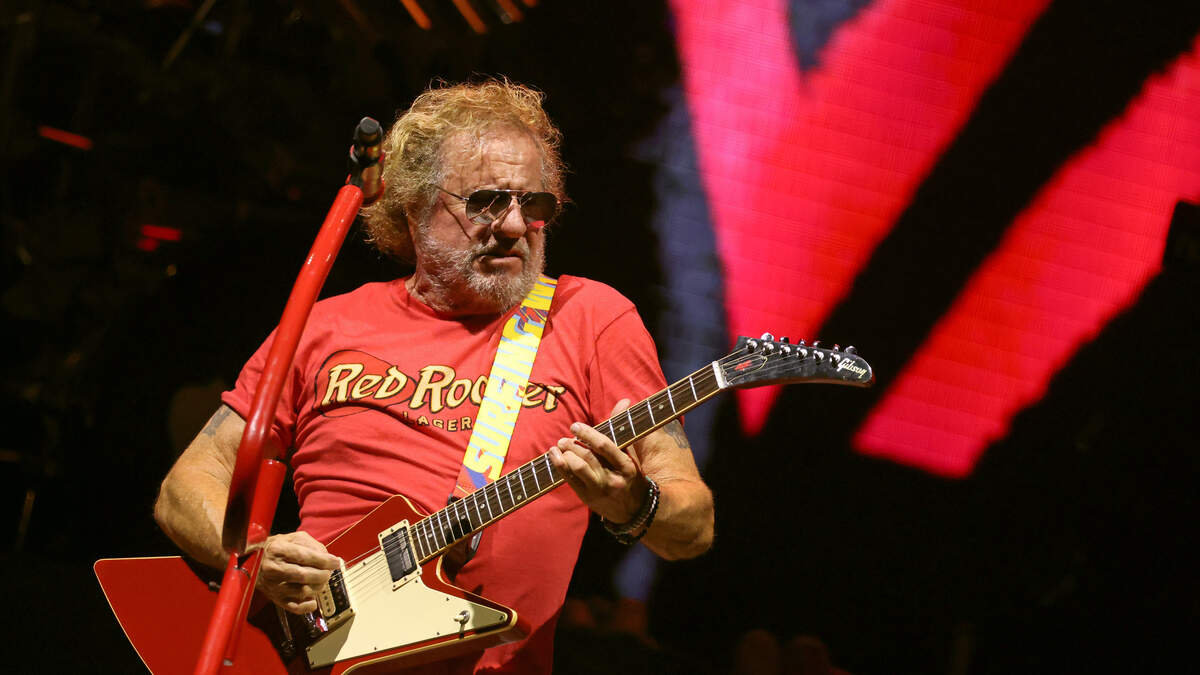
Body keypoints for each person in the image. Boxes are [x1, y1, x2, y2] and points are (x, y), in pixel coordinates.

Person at [153, 79, 715, 673]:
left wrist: (633, 503)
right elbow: (184, 487)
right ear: (414, 205)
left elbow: (693, 525)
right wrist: (253, 559)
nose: (515, 225)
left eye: (535, 205)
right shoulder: (326, 325)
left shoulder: (590, 318)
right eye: (487, 202)